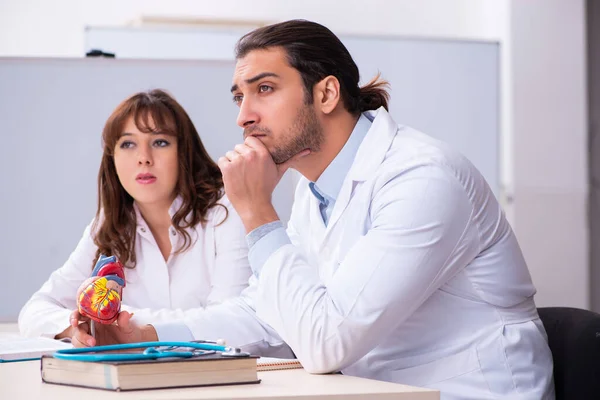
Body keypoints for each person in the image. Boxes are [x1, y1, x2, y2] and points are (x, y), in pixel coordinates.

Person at [69, 21, 555, 399]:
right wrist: (145, 332)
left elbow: (327, 342)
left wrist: (258, 211)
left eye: (264, 89)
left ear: (325, 93)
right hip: (382, 391)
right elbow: (267, 316)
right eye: (240, 97)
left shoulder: (421, 178)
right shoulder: (314, 190)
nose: (243, 117)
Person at [18, 89, 252, 346]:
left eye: (160, 142)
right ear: (112, 158)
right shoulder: (109, 224)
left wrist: (125, 324)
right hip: (140, 379)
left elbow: (235, 323)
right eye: (128, 144)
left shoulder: (227, 208)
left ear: (184, 151)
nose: (143, 158)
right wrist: (75, 329)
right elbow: (34, 311)